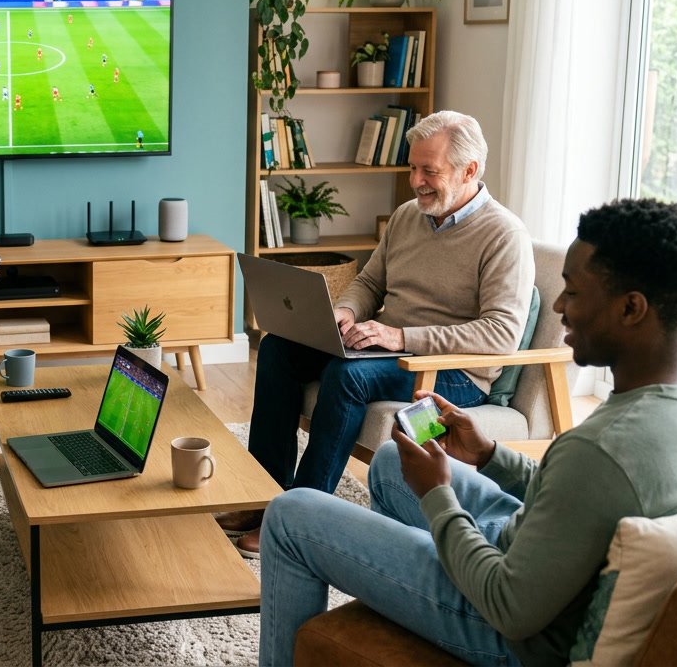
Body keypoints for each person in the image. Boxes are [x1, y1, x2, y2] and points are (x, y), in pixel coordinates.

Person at [258, 197, 677, 666]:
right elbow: (580, 501)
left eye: (573, 291)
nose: (558, 305)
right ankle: (398, 586)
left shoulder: (598, 449)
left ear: (632, 308)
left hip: (506, 627)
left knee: (292, 513)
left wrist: (438, 496)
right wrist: (489, 455)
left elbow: (508, 607)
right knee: (390, 462)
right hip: (541, 564)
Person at [220, 111, 533, 557]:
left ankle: (306, 514)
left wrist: (401, 337)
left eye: (430, 171)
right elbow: (369, 283)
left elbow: (500, 335)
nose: (416, 181)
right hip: (383, 349)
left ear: (470, 171)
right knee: (278, 350)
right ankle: (265, 496)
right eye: (412, 167)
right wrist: (346, 312)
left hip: (454, 377)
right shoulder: (408, 217)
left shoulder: (505, 236)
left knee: (347, 377)